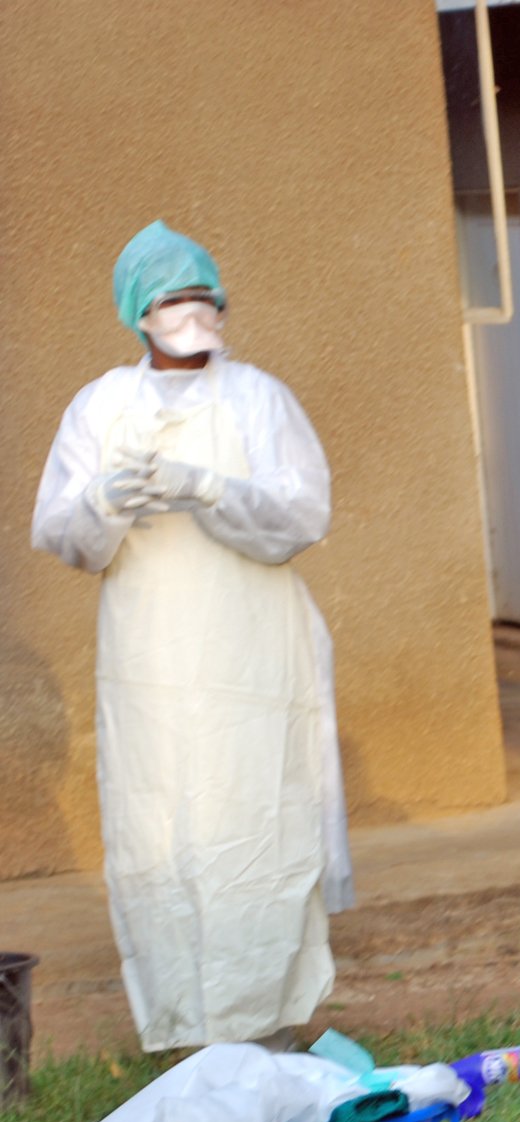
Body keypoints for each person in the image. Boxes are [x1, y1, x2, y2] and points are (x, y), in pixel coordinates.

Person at [32, 220, 352, 1052]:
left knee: (259, 821)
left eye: (201, 295)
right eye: (172, 298)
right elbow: (63, 534)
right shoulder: (101, 407)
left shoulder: (260, 399)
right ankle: (186, 1035)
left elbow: (301, 516)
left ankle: (275, 1030)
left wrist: (207, 488)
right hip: (152, 672)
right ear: (139, 312)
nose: (191, 311)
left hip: (251, 661)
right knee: (162, 830)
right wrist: (107, 499)